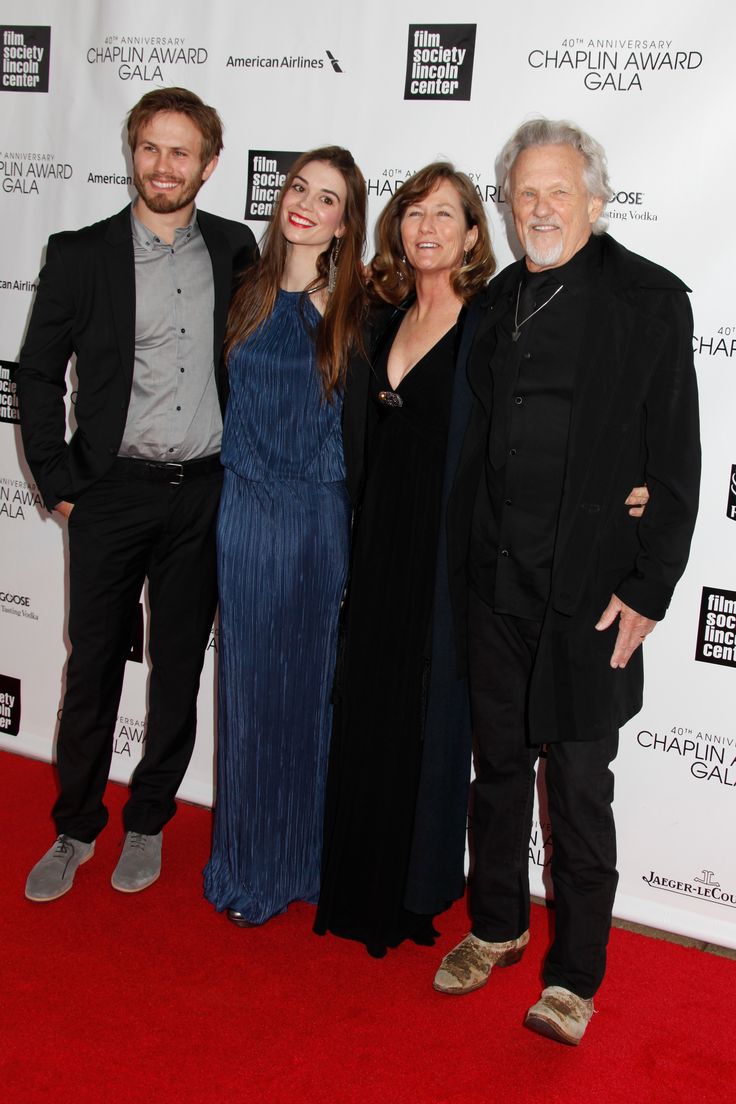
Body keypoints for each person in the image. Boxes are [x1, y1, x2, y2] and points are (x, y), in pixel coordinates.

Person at [432, 119, 700, 1045]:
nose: (540, 208)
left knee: (580, 787)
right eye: (525, 194)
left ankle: (575, 976)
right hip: (496, 585)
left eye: (559, 192)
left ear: (596, 199)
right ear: (507, 209)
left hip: (592, 596)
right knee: (499, 772)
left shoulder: (650, 299)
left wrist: (651, 586)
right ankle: (498, 925)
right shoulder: (499, 298)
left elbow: (677, 461)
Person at [18, 87, 257, 901]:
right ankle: (75, 826)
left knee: (180, 666)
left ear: (209, 164)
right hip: (110, 492)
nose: (163, 165)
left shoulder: (235, 250)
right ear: (133, 154)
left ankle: (148, 819)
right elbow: (40, 374)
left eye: (180, 151)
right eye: (150, 148)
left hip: (205, 496)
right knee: (92, 671)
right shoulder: (80, 254)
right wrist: (57, 484)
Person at [314, 164, 496, 956]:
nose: (427, 227)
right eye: (415, 212)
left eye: (445, 215)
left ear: (472, 236)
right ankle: (355, 877)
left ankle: (413, 890)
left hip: (446, 562)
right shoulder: (379, 321)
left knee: (430, 723)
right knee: (367, 707)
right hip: (375, 544)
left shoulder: (489, 333)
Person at [203, 147, 369, 926]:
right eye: (298, 186)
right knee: (245, 691)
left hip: (310, 523)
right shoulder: (244, 287)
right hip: (242, 516)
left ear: (345, 222)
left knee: (303, 692)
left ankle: (301, 858)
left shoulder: (356, 307)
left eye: (326, 197)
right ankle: (247, 859)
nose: (305, 203)